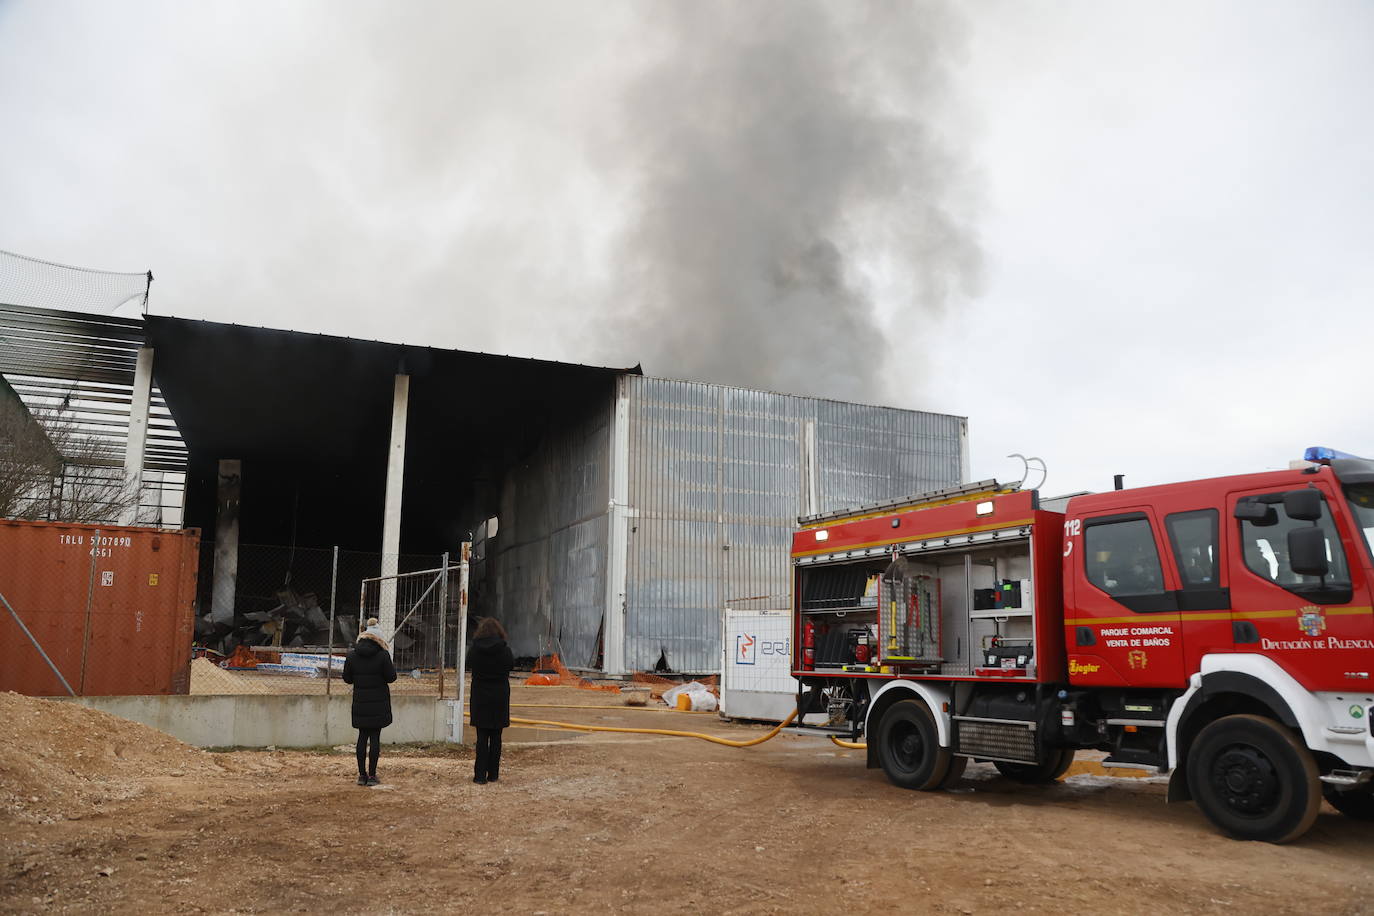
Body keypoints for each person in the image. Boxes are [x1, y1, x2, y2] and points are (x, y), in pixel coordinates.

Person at [342, 617, 396, 786]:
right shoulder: (383, 655)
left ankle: (361, 775)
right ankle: (372, 776)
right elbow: (391, 677)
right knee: (375, 738)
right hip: (379, 703)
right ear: (379, 639)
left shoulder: (352, 655)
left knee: (361, 737)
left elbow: (347, 679)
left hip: (360, 702)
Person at [467, 617, 515, 785]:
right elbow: (511, 666)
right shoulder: (505, 650)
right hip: (499, 695)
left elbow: (468, 664)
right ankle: (493, 774)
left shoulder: (474, 650)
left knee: (481, 737)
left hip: (480, 694)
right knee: (496, 736)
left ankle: (479, 775)